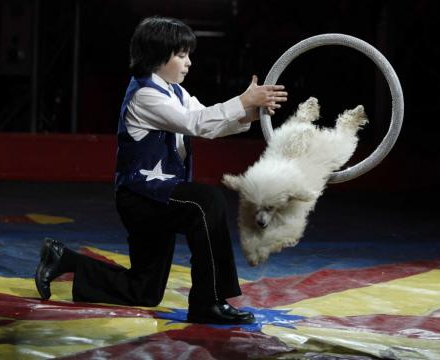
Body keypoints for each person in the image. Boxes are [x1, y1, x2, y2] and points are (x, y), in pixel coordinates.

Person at [35, 16, 288, 325]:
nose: (189, 62)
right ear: (156, 56)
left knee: (143, 290)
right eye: (181, 55)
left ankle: (64, 258)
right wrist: (243, 100)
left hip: (160, 197)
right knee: (207, 202)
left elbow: (209, 124)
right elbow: (194, 123)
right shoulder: (144, 95)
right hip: (142, 198)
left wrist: (250, 112)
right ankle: (209, 302)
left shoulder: (176, 93)